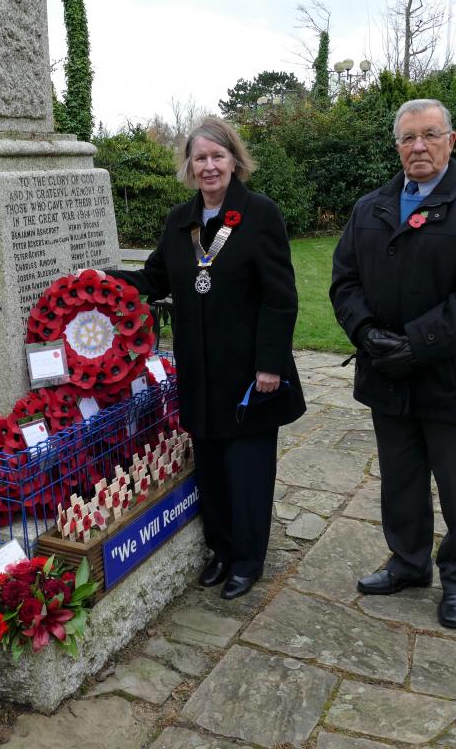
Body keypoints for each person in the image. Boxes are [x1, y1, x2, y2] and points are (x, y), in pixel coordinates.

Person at [329, 99, 456, 629]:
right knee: (400, 481)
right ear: (397, 147)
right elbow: (344, 282)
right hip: (386, 374)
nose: (419, 147)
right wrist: (365, 333)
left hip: (448, 377)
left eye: (430, 135)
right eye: (408, 138)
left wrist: (416, 343)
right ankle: (408, 564)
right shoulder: (371, 209)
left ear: (451, 142)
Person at [108, 116, 306, 600]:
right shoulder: (181, 220)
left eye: (218, 156)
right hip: (198, 373)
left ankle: (248, 559)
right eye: (200, 157)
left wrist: (269, 365)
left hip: (247, 376)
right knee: (212, 469)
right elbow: (153, 279)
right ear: (189, 166)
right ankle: (220, 550)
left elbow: (280, 298)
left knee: (248, 471)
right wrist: (99, 279)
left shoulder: (260, 214)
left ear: (235, 161)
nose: (209, 166)